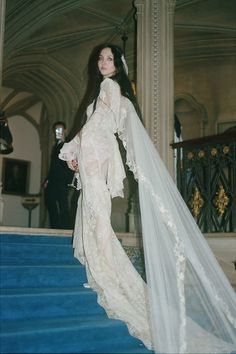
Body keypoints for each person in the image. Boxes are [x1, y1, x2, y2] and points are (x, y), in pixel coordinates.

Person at [59, 44, 236, 353]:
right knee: (93, 207)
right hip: (94, 152)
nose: (103, 62)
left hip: (95, 151)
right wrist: (74, 151)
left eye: (109, 58)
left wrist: (72, 149)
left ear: (117, 65)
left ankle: (106, 272)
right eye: (100, 57)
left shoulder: (109, 86)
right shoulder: (103, 89)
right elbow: (96, 125)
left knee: (95, 208)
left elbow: (98, 125)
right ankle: (104, 268)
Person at [44, 121, 74, 229]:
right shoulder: (55, 146)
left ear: (65, 131)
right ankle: (55, 227)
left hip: (62, 182)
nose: (58, 132)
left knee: (63, 206)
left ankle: (64, 229)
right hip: (53, 181)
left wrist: (68, 181)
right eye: (56, 130)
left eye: (60, 129)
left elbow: (71, 164)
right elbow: (53, 166)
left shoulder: (68, 145)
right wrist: (48, 179)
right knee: (50, 201)